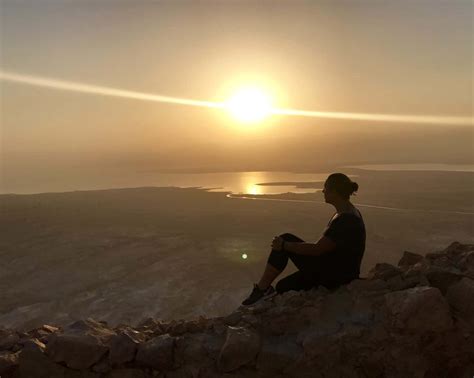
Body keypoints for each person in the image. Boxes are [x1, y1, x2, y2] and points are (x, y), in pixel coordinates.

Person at [241, 172, 366, 306]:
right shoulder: (348, 212)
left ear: (334, 191)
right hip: (336, 270)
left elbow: (318, 249)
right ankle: (265, 289)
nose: (323, 191)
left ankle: (262, 289)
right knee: (283, 286)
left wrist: (285, 245)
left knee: (285, 239)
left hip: (335, 276)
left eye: (325, 188)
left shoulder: (346, 219)